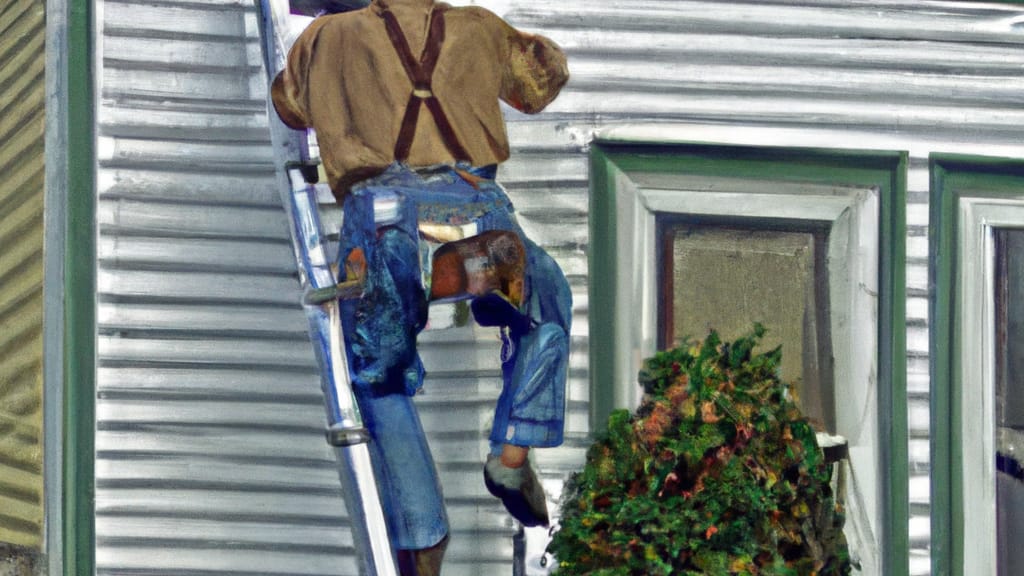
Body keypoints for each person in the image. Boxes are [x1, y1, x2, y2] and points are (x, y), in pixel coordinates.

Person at [271, 0, 571, 573]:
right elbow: (540, 85)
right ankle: (512, 454)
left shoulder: (326, 36)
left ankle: (423, 541)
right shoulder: (479, 28)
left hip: (387, 230)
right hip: (479, 224)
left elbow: (290, 109)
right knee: (545, 300)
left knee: (380, 377)